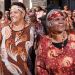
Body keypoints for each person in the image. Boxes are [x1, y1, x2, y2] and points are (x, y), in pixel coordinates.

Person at [35, 9, 75, 75]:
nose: (61, 22)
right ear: (50, 23)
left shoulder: (73, 38)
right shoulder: (44, 42)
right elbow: (40, 67)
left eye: (63, 19)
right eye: (57, 19)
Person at [0, 2, 32, 75]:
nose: (12, 15)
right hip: (5, 72)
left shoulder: (32, 31)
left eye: (15, 12)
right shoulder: (4, 30)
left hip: (24, 72)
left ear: (23, 14)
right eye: (11, 12)